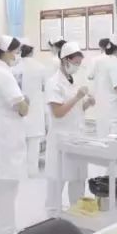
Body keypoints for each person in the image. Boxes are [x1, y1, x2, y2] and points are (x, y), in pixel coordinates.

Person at [44, 41, 94, 215]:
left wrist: (87, 103)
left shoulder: (73, 81)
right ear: (65, 60)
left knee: (78, 180)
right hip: (61, 140)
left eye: (79, 63)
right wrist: (78, 97)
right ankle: (52, 217)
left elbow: (76, 110)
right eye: (75, 63)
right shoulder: (54, 83)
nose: (77, 67)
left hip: (77, 138)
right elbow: (58, 112)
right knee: (57, 181)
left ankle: (77, 214)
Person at [0, 35, 29, 234]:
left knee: (9, 183)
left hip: (7, 129)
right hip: (7, 132)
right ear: (5, 52)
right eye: (15, 51)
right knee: (7, 183)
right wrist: (26, 102)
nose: (17, 55)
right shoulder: (3, 74)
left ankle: (7, 227)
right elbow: (22, 108)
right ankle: (6, 230)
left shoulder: (2, 71)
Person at [15, 38, 48, 177]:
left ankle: (20, 171)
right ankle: (32, 171)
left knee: (19, 143)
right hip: (35, 108)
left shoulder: (15, 67)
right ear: (32, 52)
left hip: (19, 109)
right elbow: (45, 87)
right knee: (34, 143)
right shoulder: (40, 67)